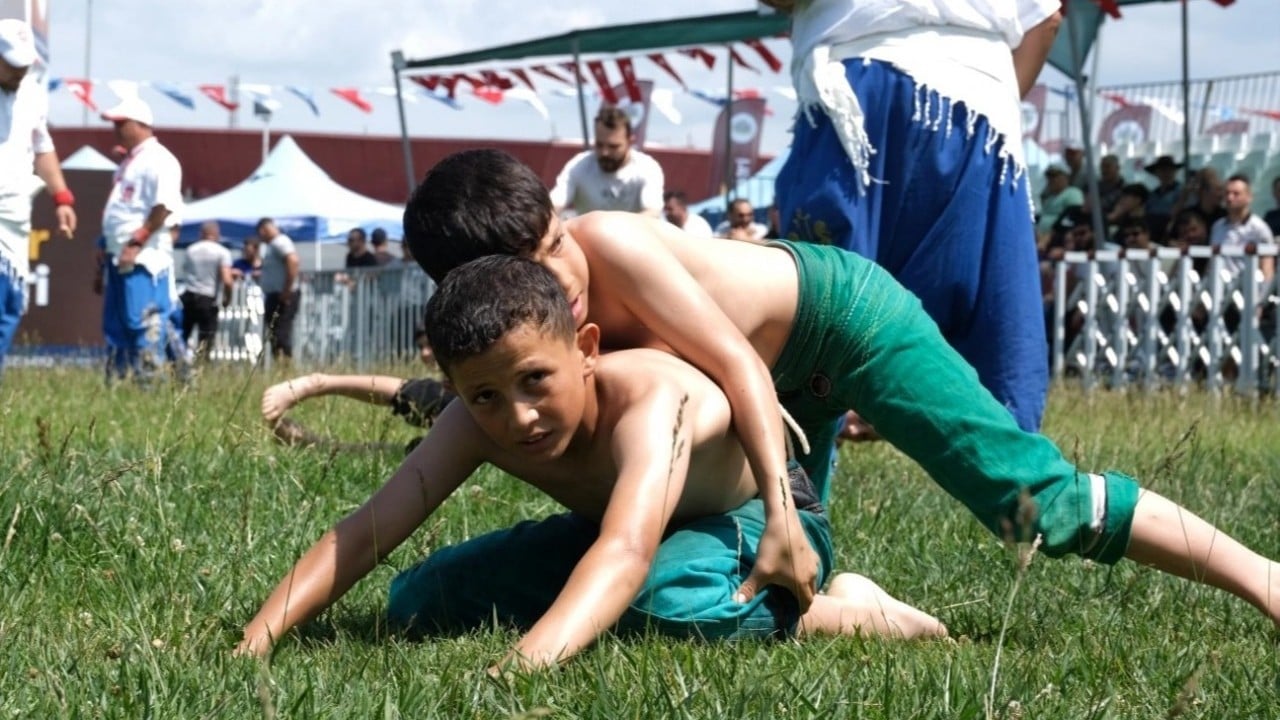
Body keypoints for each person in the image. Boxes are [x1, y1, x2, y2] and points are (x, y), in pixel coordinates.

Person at [405, 149, 1280, 634]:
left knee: (1033, 506)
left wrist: (783, 516)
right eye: (532, 268)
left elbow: (742, 367)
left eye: (557, 239)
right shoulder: (536, 325)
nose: (564, 270)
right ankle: (840, 601)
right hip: (762, 389)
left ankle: (1264, 580)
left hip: (842, 323)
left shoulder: (612, 247)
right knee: (696, 547)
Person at [238, 256, 946, 667]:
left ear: (587, 349)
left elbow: (627, 550)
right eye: (484, 395)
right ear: (456, 390)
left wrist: (519, 669)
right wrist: (255, 643)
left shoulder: (650, 399)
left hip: (756, 521)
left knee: (661, 602)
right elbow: (366, 530)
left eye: (535, 381)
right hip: (621, 532)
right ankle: (582, 614)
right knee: (420, 598)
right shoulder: (473, 420)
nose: (518, 416)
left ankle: (853, 611)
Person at [766, 0, 1063, 435]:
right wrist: (986, 107)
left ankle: (794, 482)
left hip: (860, 81)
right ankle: (1023, 488)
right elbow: (1046, 19)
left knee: (824, 292)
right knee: (993, 306)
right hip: (983, 101)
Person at [0, 19, 77, 379]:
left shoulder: (32, 91)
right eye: (11, 63)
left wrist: (61, 196)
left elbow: (41, 146)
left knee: (10, 306)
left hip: (15, 215)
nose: (19, 70)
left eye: (24, 63)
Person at [99, 96, 183, 384]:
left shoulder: (159, 160)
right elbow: (121, 210)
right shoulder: (129, 162)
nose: (116, 129)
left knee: (145, 320)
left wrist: (137, 242)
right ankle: (120, 382)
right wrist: (103, 248)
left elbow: (165, 205)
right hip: (119, 253)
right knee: (118, 324)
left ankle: (152, 383)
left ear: (141, 124)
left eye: (122, 124)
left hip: (144, 258)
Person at [550, 106, 664, 218]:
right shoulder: (577, 166)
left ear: (630, 141)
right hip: (586, 236)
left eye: (613, 146)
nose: (605, 152)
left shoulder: (648, 168)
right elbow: (554, 205)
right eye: (599, 145)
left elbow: (652, 213)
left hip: (633, 235)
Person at [179, 220, 233, 361]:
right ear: (217, 234)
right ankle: (201, 368)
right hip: (208, 299)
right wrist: (227, 299)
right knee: (206, 339)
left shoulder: (191, 249)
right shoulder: (222, 252)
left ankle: (177, 366)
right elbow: (227, 280)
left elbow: (185, 270)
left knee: (183, 335)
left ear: (201, 234)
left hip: (189, 296)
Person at [257, 217, 299, 360]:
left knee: (281, 334)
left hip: (283, 295)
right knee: (274, 334)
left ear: (264, 230)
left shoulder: (280, 242)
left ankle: (286, 367)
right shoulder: (273, 245)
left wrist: (286, 292)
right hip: (276, 295)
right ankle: (280, 367)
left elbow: (293, 261)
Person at [1037, 164, 1085, 235]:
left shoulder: (1073, 193)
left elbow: (1073, 218)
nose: (1051, 180)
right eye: (1049, 177)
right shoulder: (1049, 198)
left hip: (1061, 237)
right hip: (1041, 237)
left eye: (1054, 176)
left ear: (1065, 177)